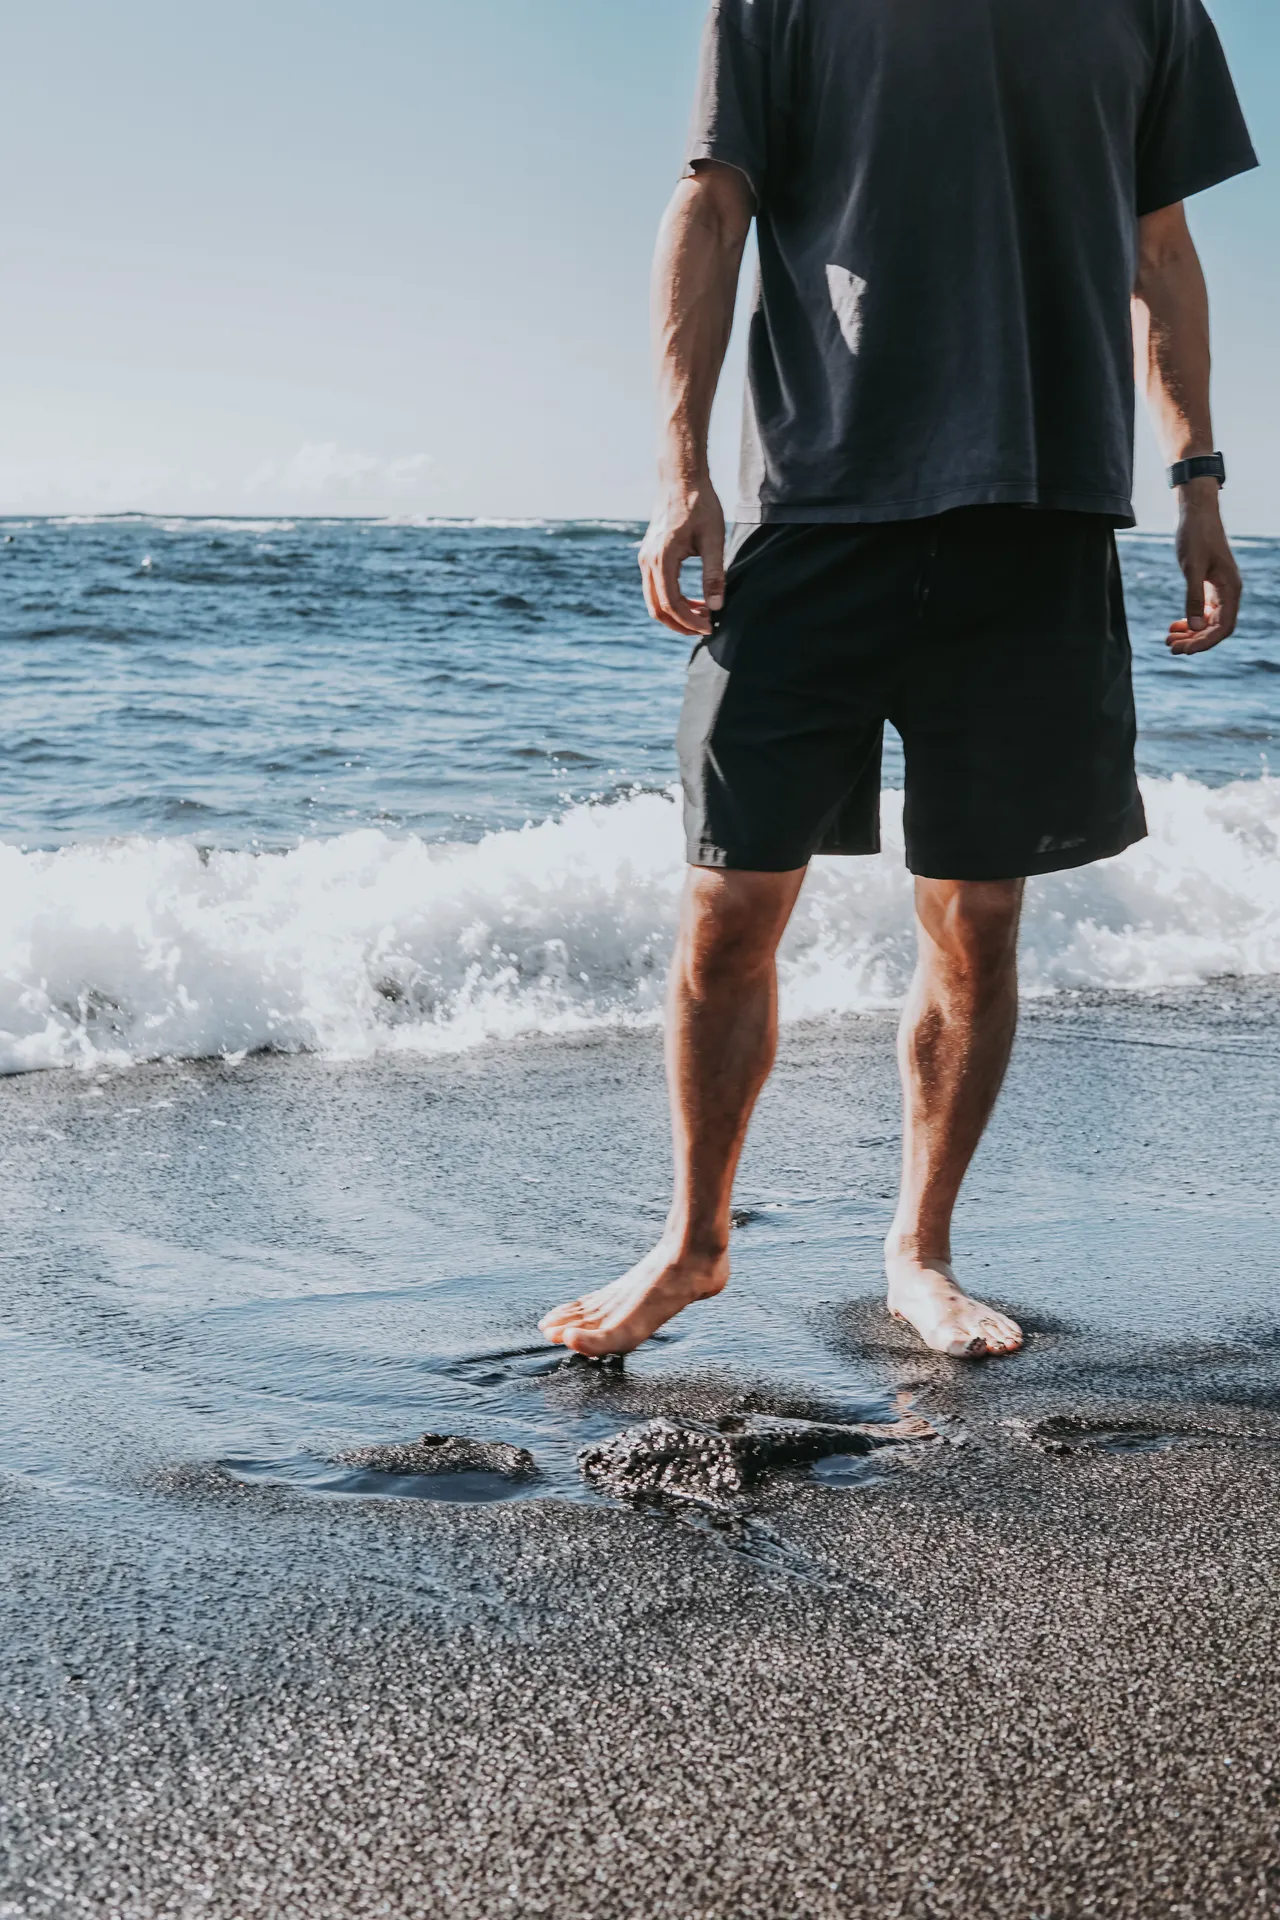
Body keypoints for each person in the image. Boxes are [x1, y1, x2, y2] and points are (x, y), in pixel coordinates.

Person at [540, 0, 1257, 1360]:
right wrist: (681, 468)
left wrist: (1199, 479)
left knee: (978, 918)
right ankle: (695, 1243)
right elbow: (710, 205)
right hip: (822, 506)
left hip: (1040, 513)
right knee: (726, 900)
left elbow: (1161, 247)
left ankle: (920, 1255)